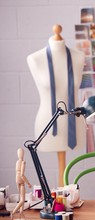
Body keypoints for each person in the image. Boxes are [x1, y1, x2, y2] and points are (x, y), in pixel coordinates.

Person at [27, 25, 85, 186]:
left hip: (74, 122)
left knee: (66, 176)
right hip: (47, 121)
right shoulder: (35, 59)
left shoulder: (78, 57)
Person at [11, 148, 32, 220]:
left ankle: (21, 213)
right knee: (22, 200)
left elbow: (18, 173)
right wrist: (28, 183)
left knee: (20, 197)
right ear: (23, 154)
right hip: (21, 180)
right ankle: (13, 212)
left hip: (17, 179)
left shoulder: (17, 162)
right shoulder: (23, 162)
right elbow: (22, 174)